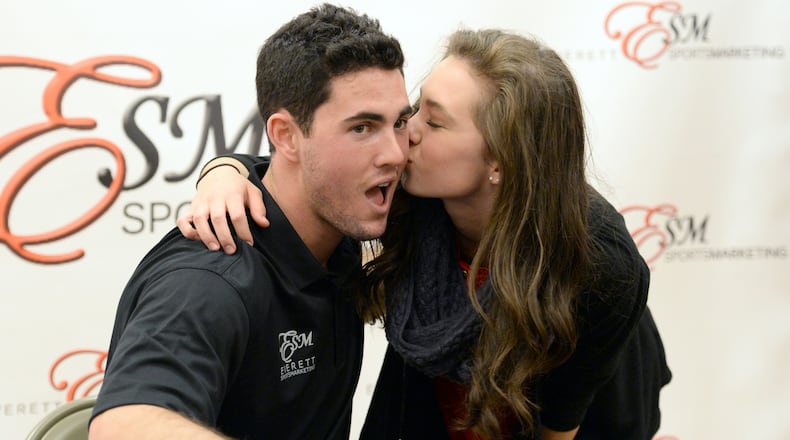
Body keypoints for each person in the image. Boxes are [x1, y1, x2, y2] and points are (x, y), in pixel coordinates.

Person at [179, 30, 672, 439]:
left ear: (501, 159)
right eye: (415, 108)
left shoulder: (599, 265)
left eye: (433, 121)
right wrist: (224, 171)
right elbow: (313, 177)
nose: (405, 132)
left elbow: (560, 429)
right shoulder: (407, 190)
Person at [88, 4, 411, 439]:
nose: (394, 152)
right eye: (362, 128)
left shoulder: (343, 222)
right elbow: (122, 427)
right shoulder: (211, 279)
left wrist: (224, 165)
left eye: (400, 122)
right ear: (285, 136)